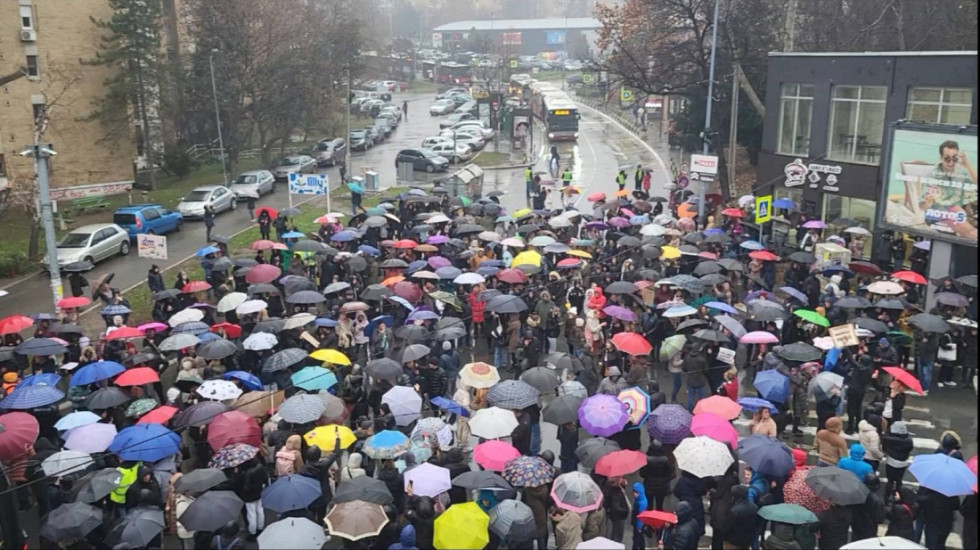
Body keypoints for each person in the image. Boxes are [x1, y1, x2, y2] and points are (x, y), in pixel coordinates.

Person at [882, 421, 914, 495]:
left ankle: (887, 497)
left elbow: (885, 448)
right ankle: (899, 496)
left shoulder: (889, 439)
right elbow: (910, 449)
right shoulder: (908, 440)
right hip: (903, 463)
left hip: (891, 462)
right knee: (899, 481)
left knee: (890, 481)